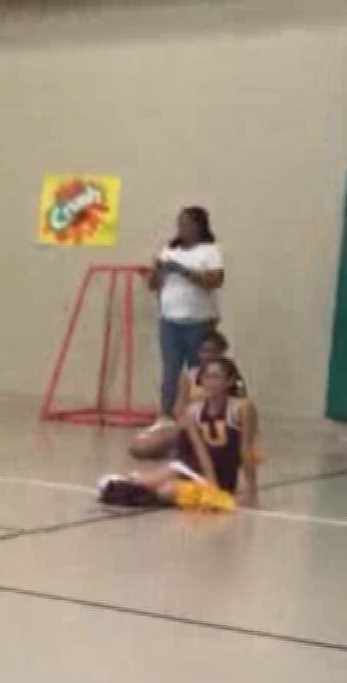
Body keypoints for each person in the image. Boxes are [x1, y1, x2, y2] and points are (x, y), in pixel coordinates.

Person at [99, 356, 260, 510]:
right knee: (147, 486)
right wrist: (211, 484)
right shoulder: (194, 411)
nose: (211, 382)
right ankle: (127, 484)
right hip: (194, 468)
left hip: (225, 472)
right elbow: (201, 451)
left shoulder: (241, 407)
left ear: (229, 381)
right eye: (207, 377)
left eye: (216, 377)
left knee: (166, 492)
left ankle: (137, 488)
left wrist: (252, 492)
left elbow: (245, 450)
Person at [148, 206, 224, 420]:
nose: (183, 229)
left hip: (198, 322)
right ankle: (166, 414)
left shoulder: (210, 251)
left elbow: (214, 281)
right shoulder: (170, 250)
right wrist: (157, 270)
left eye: (188, 224)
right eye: (181, 224)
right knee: (170, 371)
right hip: (170, 321)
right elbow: (153, 285)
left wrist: (182, 270)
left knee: (199, 370)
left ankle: (202, 415)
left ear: (200, 227)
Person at [131, 330, 229, 460]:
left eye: (214, 352)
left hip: (216, 427)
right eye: (205, 351)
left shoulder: (228, 377)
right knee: (140, 446)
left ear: (221, 353)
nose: (209, 356)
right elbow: (179, 409)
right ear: (198, 352)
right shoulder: (189, 376)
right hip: (189, 424)